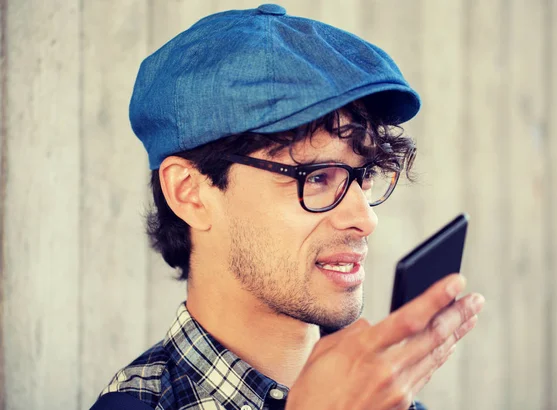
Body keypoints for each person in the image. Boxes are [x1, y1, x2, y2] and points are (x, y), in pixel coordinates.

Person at [91, 4, 485, 410]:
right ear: (190, 191)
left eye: (364, 175)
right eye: (315, 178)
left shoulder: (380, 399)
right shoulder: (138, 404)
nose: (365, 218)